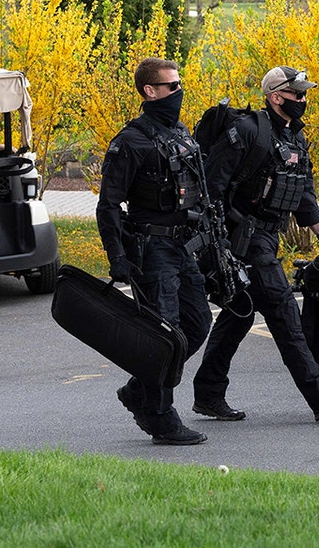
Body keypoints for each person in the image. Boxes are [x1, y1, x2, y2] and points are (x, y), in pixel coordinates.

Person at [192, 65, 319, 423]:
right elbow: (212, 187)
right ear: (275, 97)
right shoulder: (247, 131)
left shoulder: (295, 138)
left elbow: (303, 194)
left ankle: (208, 392)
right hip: (243, 240)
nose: (303, 100)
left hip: (268, 238)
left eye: (305, 94)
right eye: (297, 94)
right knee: (285, 313)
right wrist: (219, 244)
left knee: (239, 315)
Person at [96, 57, 212, 445]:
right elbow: (108, 205)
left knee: (197, 325)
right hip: (151, 250)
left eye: (179, 85)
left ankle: (137, 391)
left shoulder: (179, 132)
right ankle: (160, 418)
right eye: (171, 87)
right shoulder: (130, 142)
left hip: (182, 246)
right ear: (150, 91)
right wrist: (117, 257)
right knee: (164, 335)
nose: (179, 93)